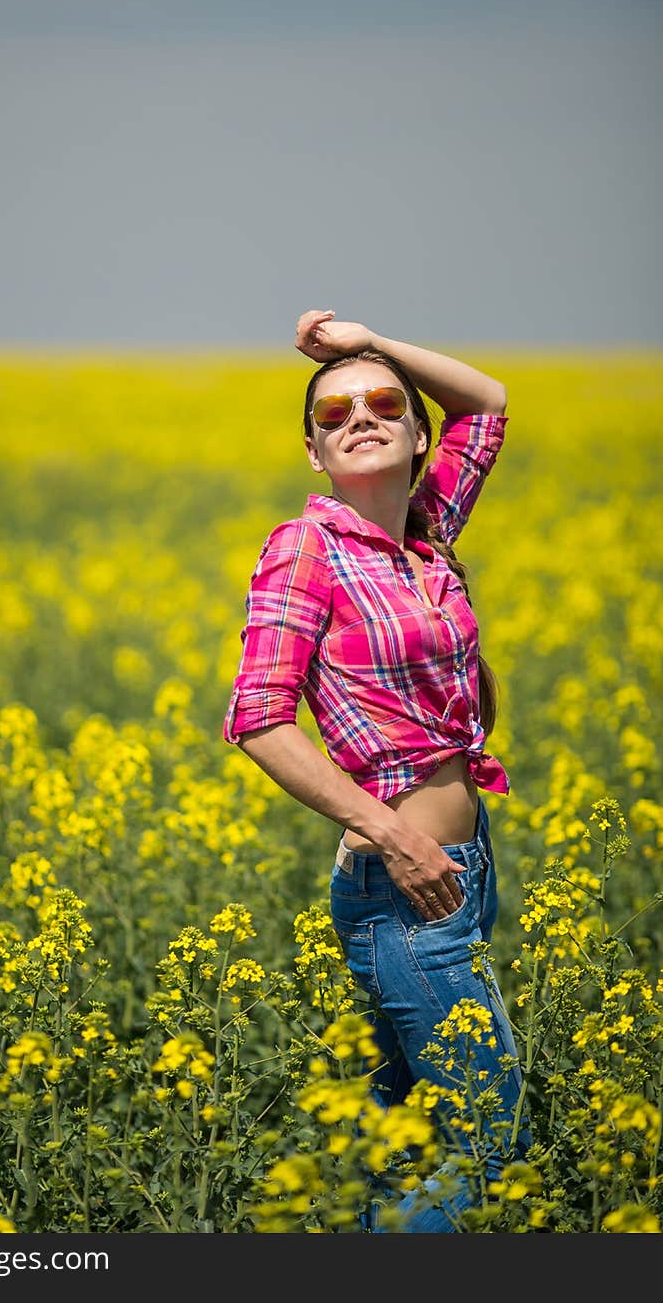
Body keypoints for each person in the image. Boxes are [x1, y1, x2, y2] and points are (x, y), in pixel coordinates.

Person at [222, 309, 532, 1231]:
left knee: (399, 1140)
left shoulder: (426, 532)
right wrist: (395, 835)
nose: (359, 414)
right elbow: (259, 717)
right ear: (314, 452)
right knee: (488, 1142)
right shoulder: (305, 548)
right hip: (402, 886)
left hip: (461, 873)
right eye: (333, 413)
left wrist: (368, 341)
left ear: (414, 429)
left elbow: (489, 404)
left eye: (384, 402)